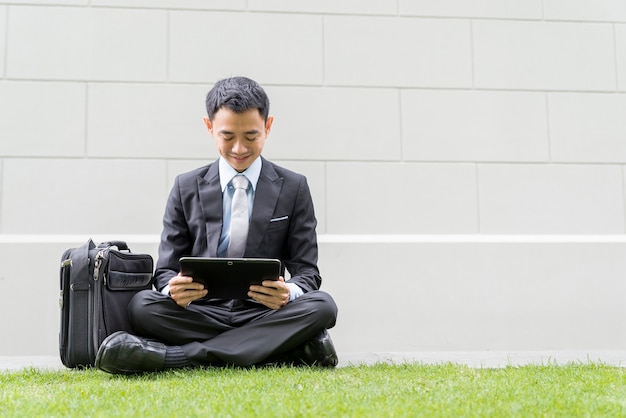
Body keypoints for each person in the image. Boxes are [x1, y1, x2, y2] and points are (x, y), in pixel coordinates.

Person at [95, 76, 338, 374]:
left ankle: (176, 358)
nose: (239, 148)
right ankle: (282, 348)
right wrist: (173, 288)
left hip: (263, 312)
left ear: (268, 126)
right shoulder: (185, 187)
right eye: (227, 136)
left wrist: (290, 292)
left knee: (323, 306)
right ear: (209, 128)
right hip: (200, 311)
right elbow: (165, 271)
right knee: (142, 306)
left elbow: (307, 273)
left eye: (251, 137)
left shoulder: (294, 187)